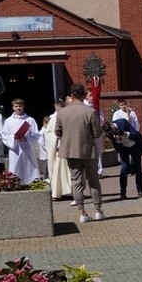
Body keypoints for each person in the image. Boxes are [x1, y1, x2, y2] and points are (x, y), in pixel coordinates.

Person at [55, 84, 105, 223]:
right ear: (83, 94)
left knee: (76, 181)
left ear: (71, 95)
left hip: (71, 150)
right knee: (93, 180)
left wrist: (69, 137)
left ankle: (82, 213)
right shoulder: (90, 112)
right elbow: (97, 132)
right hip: (88, 149)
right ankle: (98, 210)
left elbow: (57, 132)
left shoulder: (62, 112)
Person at [1, 98, 41, 184]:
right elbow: (4, 135)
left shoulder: (30, 120)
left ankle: (31, 182)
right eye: (16, 106)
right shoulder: (8, 121)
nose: (18, 108)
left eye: (20, 106)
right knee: (15, 167)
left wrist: (26, 139)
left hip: (26, 147)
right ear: (13, 108)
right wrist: (13, 138)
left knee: (29, 166)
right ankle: (16, 183)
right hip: (15, 148)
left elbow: (36, 134)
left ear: (23, 107)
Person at [107, 114, 142, 200]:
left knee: (137, 168)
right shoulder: (108, 132)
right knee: (124, 169)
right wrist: (118, 141)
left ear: (112, 125)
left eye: (113, 130)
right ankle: (123, 193)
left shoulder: (122, 122)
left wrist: (125, 133)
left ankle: (140, 190)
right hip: (123, 148)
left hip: (134, 145)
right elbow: (115, 145)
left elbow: (135, 134)